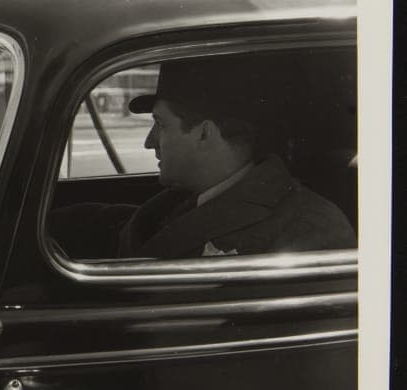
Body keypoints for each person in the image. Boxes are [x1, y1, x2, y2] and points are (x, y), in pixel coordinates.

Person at [51, 56, 356, 259]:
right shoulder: (185, 200)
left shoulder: (312, 230)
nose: (148, 142)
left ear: (205, 134)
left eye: (160, 124)